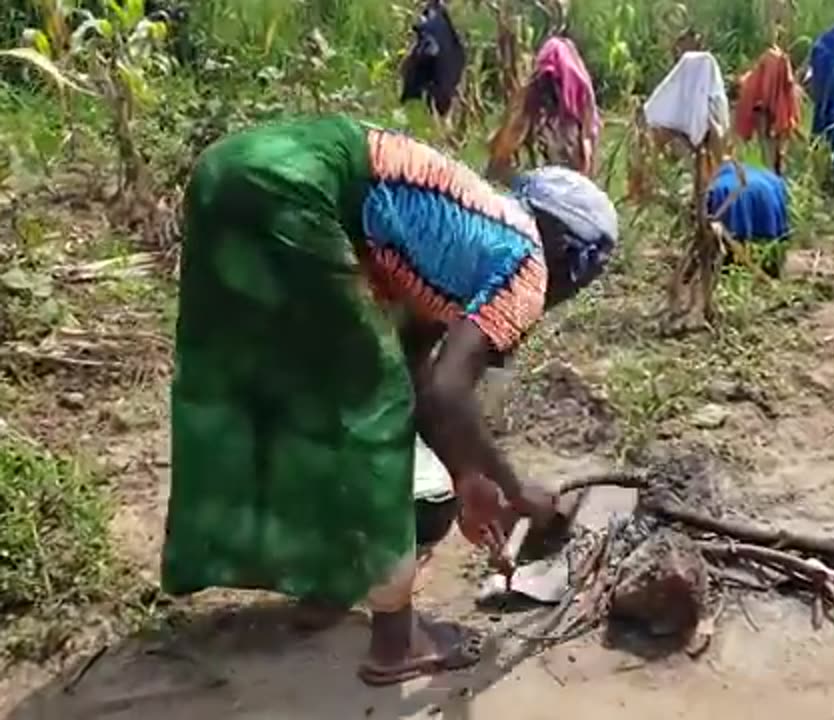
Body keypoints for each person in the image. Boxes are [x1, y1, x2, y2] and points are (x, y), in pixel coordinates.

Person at [160, 114, 619, 686]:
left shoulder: (459, 238)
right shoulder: (527, 264)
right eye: (582, 276)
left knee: (295, 393)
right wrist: (515, 486)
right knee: (369, 411)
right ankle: (395, 641)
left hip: (226, 170)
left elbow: (422, 381)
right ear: (571, 255)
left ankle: (319, 580)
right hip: (292, 187)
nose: (570, 291)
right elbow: (444, 391)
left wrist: (468, 479)